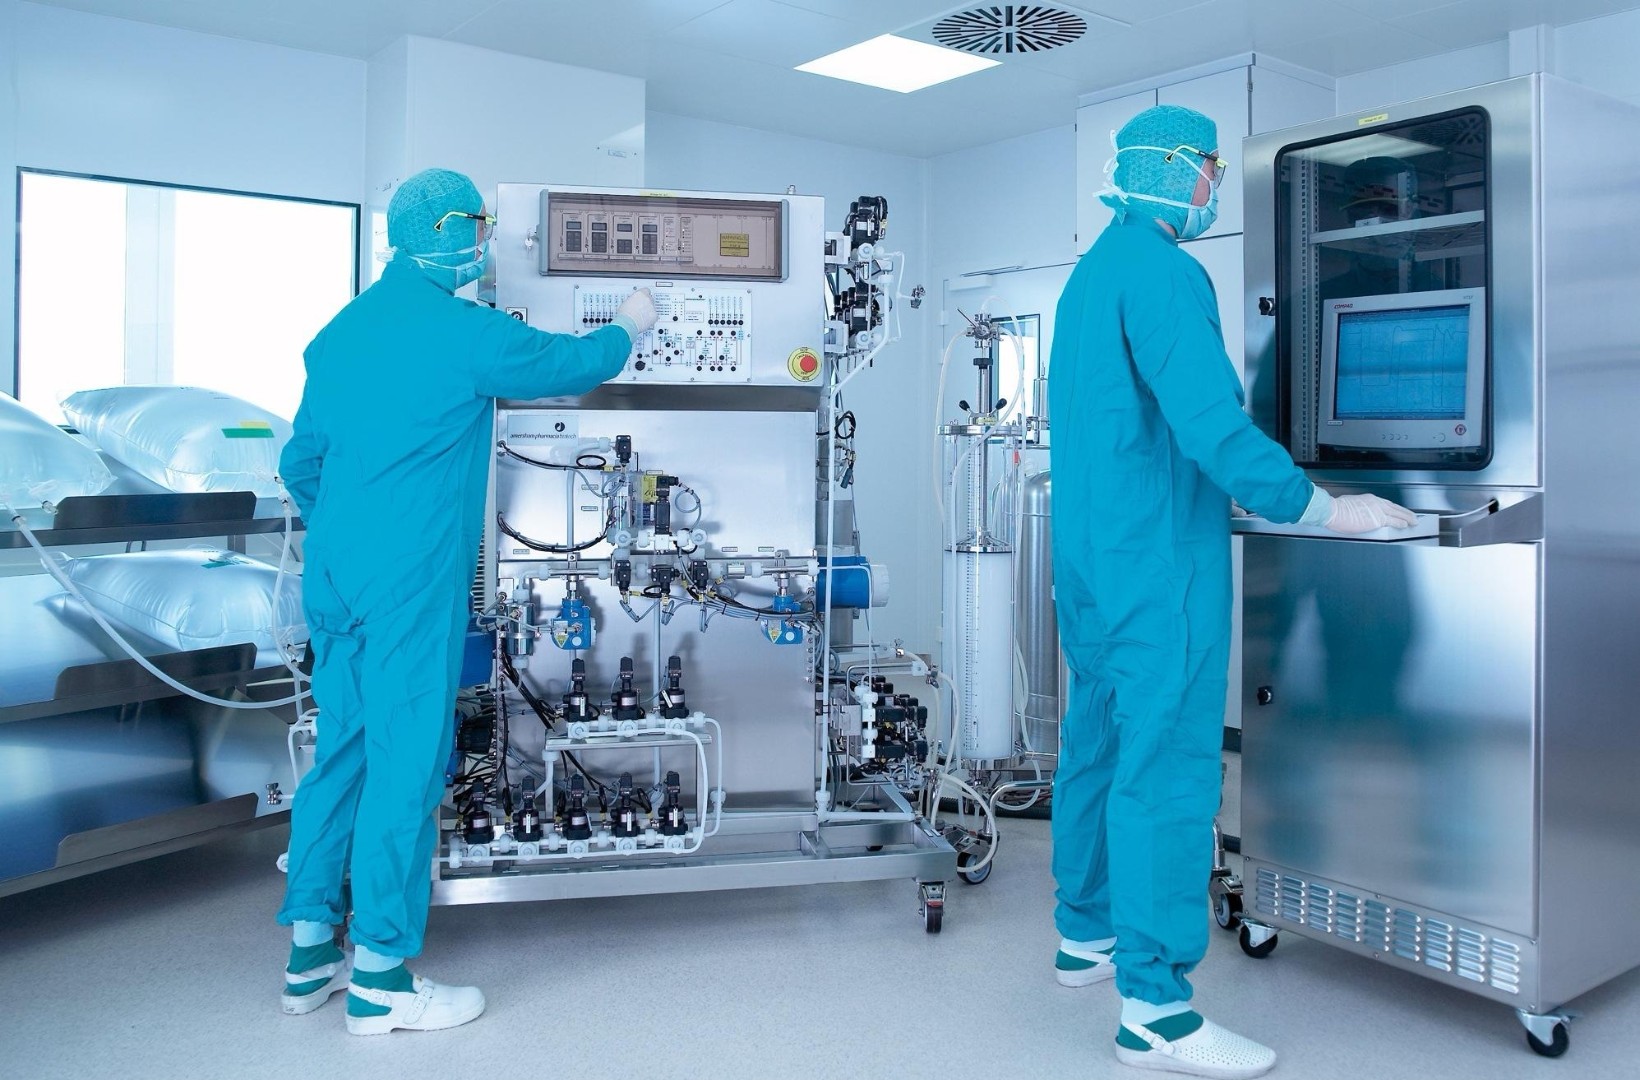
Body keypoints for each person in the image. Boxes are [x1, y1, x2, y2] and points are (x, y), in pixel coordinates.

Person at [1047, 106, 1416, 1079]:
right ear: (1175, 167)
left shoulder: (1090, 274)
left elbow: (1130, 422)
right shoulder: (1166, 272)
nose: (1213, 181)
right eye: (1208, 164)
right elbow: (1209, 422)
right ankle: (1155, 1013)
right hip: (1155, 562)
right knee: (1167, 768)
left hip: (1090, 557)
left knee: (1098, 739)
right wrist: (1319, 507)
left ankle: (1083, 934)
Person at [273, 168, 657, 1035]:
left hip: (333, 573)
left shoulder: (338, 335)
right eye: (477, 226)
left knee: (343, 753)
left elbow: (301, 465)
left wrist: (352, 532)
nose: (484, 241)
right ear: (450, 232)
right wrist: (632, 321)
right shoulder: (461, 331)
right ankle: (380, 977)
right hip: (407, 580)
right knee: (406, 764)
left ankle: (310, 954)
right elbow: (573, 365)